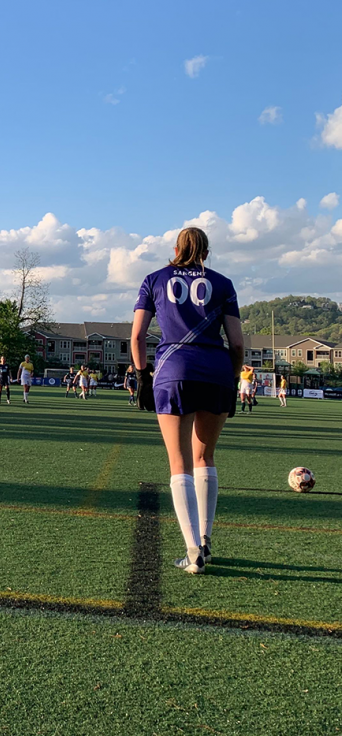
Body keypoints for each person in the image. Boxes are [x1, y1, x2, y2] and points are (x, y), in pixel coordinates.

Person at [132, 226, 244, 575]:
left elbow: (136, 336)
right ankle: (206, 542)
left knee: (178, 463)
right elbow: (237, 343)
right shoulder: (223, 284)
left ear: (176, 249)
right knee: (205, 457)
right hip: (216, 372)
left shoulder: (154, 279)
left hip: (172, 371)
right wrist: (233, 377)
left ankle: (192, 551)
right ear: (206, 252)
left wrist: (141, 377)